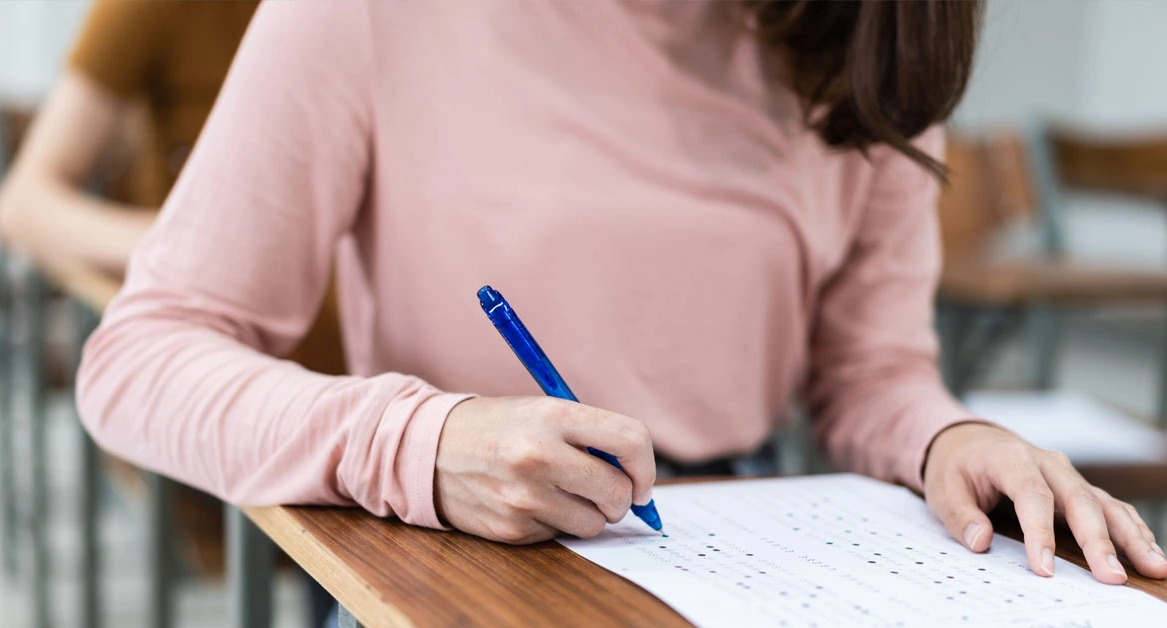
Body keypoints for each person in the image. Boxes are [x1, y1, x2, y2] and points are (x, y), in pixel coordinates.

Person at [76, 0, 1166, 588]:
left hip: (739, 550)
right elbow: (140, 359)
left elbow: (870, 372)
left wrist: (948, 435)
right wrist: (418, 439)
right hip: (441, 558)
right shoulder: (366, 15)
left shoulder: (863, 40)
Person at [0, 0, 344, 623]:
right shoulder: (150, 8)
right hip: (255, 399)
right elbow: (22, 203)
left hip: (390, 382)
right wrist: (176, 244)